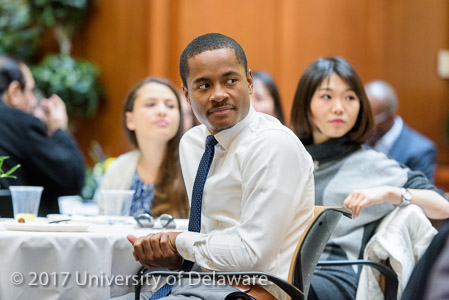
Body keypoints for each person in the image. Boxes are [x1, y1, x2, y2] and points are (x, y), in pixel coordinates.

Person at [122, 33, 315, 300]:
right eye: (203, 86)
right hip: (200, 282)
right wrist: (175, 255)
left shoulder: (272, 145)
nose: (219, 95)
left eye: (230, 80)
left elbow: (252, 256)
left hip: (255, 291)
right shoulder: (192, 143)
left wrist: (179, 243)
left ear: (249, 81)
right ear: (186, 94)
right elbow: (210, 233)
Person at [289, 57, 449, 300]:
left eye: (350, 97)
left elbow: (443, 207)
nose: (339, 107)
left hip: (333, 275)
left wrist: (390, 193)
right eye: (327, 96)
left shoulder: (373, 164)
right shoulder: (290, 156)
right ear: (305, 103)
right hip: (282, 266)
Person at [0, 56, 85, 216]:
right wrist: (59, 130)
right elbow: (72, 178)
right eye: (31, 91)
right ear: (15, 92)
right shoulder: (18, 122)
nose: (33, 102)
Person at [100, 77, 188, 218]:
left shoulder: (194, 165)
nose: (162, 111)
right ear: (130, 120)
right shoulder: (117, 170)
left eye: (170, 106)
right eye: (150, 104)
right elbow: (106, 229)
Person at [365, 80, 437, 183]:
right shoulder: (357, 139)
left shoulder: (421, 151)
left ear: (391, 116)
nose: (364, 125)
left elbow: (424, 196)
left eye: (372, 120)